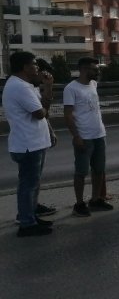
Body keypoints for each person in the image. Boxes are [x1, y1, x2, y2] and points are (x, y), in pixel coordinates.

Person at [3, 52, 57, 237]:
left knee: (32, 183)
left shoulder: (24, 85)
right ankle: (26, 224)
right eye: (34, 64)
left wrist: (48, 87)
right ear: (25, 67)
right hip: (28, 144)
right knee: (28, 185)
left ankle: (30, 215)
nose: (37, 68)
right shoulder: (20, 87)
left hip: (34, 142)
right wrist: (46, 99)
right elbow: (40, 113)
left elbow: (43, 110)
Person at [63, 57, 111, 217]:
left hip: (99, 134)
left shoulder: (93, 84)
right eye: (94, 69)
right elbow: (68, 115)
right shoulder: (71, 88)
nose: (97, 71)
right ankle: (79, 203)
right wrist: (76, 136)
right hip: (84, 136)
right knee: (81, 171)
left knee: (99, 169)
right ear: (83, 69)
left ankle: (95, 199)